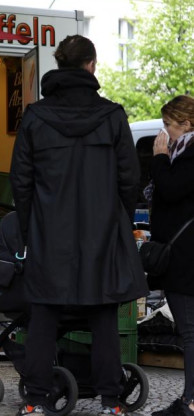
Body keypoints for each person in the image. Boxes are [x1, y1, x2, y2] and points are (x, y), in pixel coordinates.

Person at [9, 35, 148, 416]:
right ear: (92, 65)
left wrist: (29, 227)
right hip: (101, 231)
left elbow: (20, 181)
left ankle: (36, 400)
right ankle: (111, 401)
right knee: (103, 314)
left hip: (48, 231)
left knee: (44, 315)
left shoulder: (36, 117)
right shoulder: (113, 115)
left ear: (59, 65)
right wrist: (116, 219)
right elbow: (129, 179)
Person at [148, 95, 194, 416]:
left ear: (186, 124)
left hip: (185, 259)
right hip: (183, 257)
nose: (164, 132)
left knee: (190, 332)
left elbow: (171, 189)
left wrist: (160, 158)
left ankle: (190, 402)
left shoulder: (188, 154)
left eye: (168, 125)